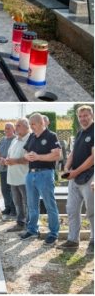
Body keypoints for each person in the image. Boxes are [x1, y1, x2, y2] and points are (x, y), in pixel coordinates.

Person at [21, 113, 61, 244]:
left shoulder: (51, 136)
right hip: (31, 174)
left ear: (40, 123)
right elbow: (25, 152)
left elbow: (56, 155)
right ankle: (32, 229)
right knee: (32, 204)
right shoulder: (32, 136)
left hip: (45, 173)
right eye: (30, 124)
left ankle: (54, 233)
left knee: (50, 204)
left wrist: (38, 157)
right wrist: (28, 156)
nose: (31, 127)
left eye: (33, 124)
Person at [62, 105, 93, 250]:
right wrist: (67, 169)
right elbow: (73, 153)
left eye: (85, 115)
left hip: (90, 176)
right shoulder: (80, 133)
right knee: (71, 209)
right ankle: (73, 240)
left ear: (91, 115)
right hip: (75, 177)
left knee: (92, 210)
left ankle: (93, 240)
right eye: (80, 116)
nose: (83, 119)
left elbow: (93, 158)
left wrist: (75, 172)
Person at [4, 118, 32, 230]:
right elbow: (9, 155)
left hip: (24, 177)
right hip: (13, 177)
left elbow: (29, 158)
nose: (16, 128)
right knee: (17, 203)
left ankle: (30, 224)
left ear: (26, 126)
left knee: (28, 202)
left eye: (18, 125)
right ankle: (20, 223)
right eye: (16, 125)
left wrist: (14, 161)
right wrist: (7, 160)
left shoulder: (30, 139)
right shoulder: (15, 140)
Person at [0, 122, 17, 218]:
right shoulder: (2, 139)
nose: (6, 130)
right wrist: (0, 159)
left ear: (13, 130)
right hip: (2, 168)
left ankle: (14, 209)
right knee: (4, 189)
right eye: (5, 128)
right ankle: (7, 207)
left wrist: (7, 160)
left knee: (12, 189)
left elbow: (16, 153)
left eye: (9, 128)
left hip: (12, 168)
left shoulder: (16, 140)